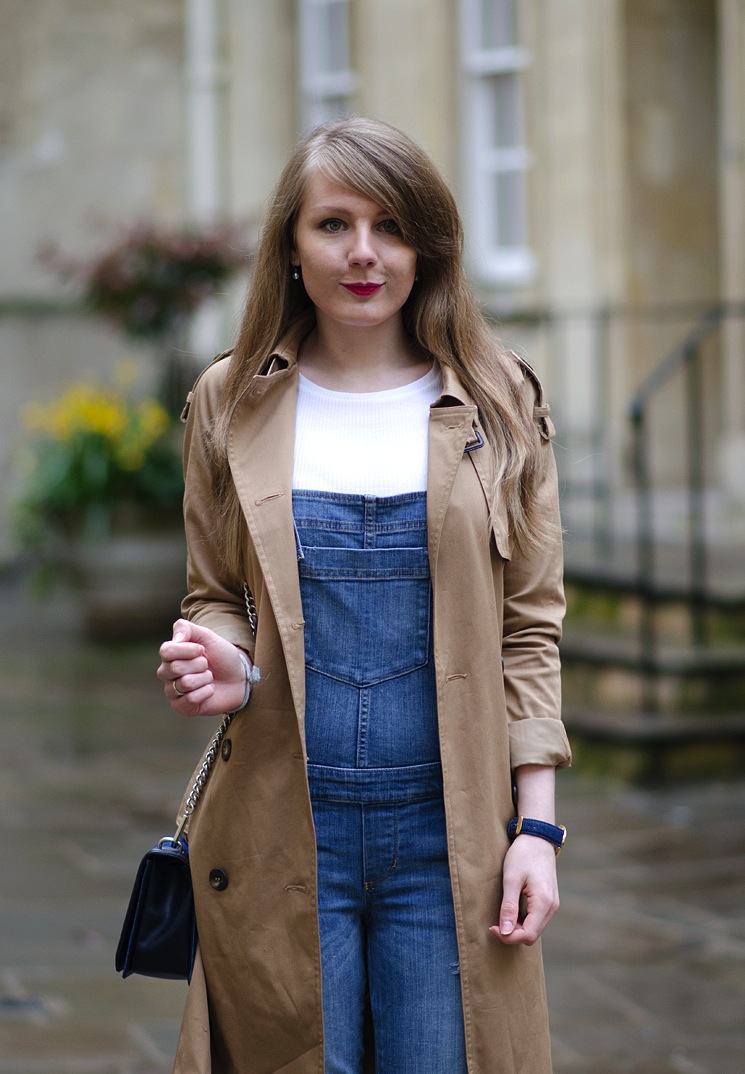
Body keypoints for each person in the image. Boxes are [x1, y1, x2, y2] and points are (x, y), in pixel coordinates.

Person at [157, 116, 571, 1074]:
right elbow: (213, 593)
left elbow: (529, 635)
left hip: (450, 837)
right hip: (278, 834)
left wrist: (536, 830)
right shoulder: (229, 400)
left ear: (427, 246)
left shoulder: (499, 402)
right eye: (332, 224)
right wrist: (219, 654)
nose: (363, 254)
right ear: (290, 246)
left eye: (390, 226)